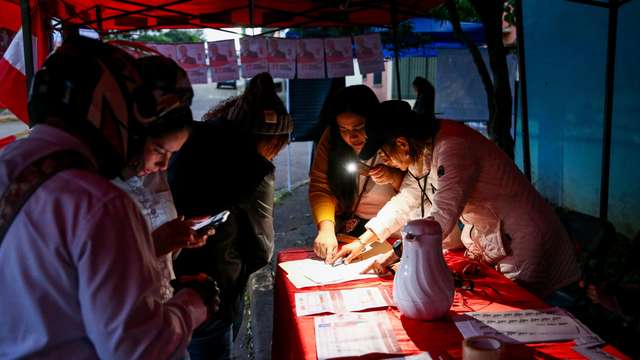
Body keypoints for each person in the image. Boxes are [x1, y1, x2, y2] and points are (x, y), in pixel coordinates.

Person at [0, 36, 219, 358]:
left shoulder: (8, 165)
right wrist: (194, 302)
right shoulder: (99, 203)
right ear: (111, 111)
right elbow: (140, 348)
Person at [335, 100, 580, 298]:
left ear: (401, 143)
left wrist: (398, 252)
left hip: (526, 241)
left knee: (517, 319)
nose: (385, 161)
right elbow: (409, 196)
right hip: (498, 237)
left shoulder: (453, 147)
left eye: (383, 153)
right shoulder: (427, 147)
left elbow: (441, 218)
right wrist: (364, 240)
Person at [168, 72, 292, 360]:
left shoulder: (190, 139)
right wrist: (240, 279)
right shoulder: (254, 168)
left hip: (165, 280)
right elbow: (262, 246)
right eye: (278, 146)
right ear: (271, 139)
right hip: (214, 288)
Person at [113, 55, 213, 303]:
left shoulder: (153, 176)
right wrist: (155, 244)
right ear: (132, 135)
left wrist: (179, 236)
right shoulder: (94, 188)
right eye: (158, 150)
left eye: (172, 154)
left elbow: (161, 252)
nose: (163, 165)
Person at [310, 85, 405, 263]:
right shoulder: (332, 140)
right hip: (353, 229)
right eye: (344, 130)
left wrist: (394, 177)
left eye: (359, 127)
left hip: (396, 231)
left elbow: (414, 194)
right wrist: (326, 229)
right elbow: (320, 187)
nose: (352, 137)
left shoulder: (396, 140)